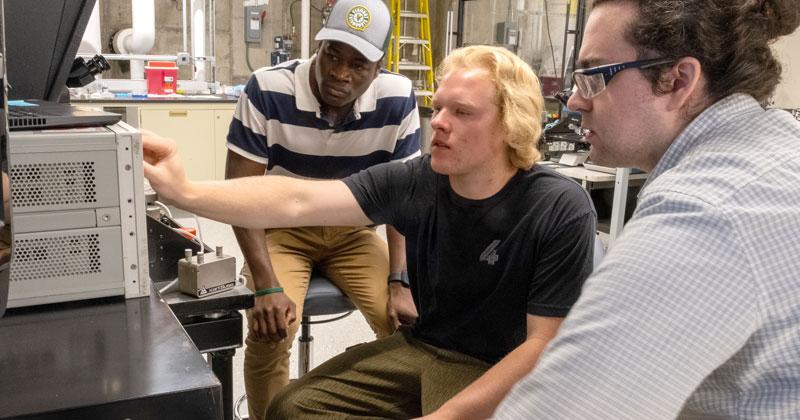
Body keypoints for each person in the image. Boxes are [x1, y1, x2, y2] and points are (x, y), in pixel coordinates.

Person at [143, 45, 596, 419]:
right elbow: (297, 200)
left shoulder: (557, 208)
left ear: (510, 125)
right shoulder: (419, 180)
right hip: (425, 345)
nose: (437, 121)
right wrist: (183, 191)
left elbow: (543, 345)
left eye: (461, 112)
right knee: (291, 407)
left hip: (498, 364)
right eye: (437, 107)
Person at [495, 0, 800, 418]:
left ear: (677, 80)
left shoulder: (702, 215)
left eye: (594, 77)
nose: (575, 104)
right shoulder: (780, 147)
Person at [224, 0, 421, 418]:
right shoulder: (268, 89)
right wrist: (265, 284)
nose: (340, 73)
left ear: (378, 67)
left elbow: (404, 197)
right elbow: (241, 194)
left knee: (410, 327)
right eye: (332, 53)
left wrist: (400, 281)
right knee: (272, 330)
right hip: (283, 231)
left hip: (353, 232)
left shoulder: (398, 98)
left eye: (358, 64)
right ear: (319, 44)